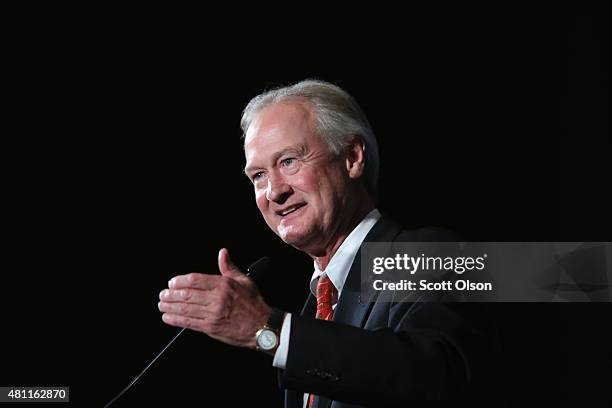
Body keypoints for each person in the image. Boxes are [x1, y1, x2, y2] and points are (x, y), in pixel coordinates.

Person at [158, 80, 496, 407]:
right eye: (258, 175)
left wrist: (267, 330)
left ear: (351, 157)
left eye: (288, 161)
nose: (274, 191)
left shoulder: (429, 255)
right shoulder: (315, 305)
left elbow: (437, 376)